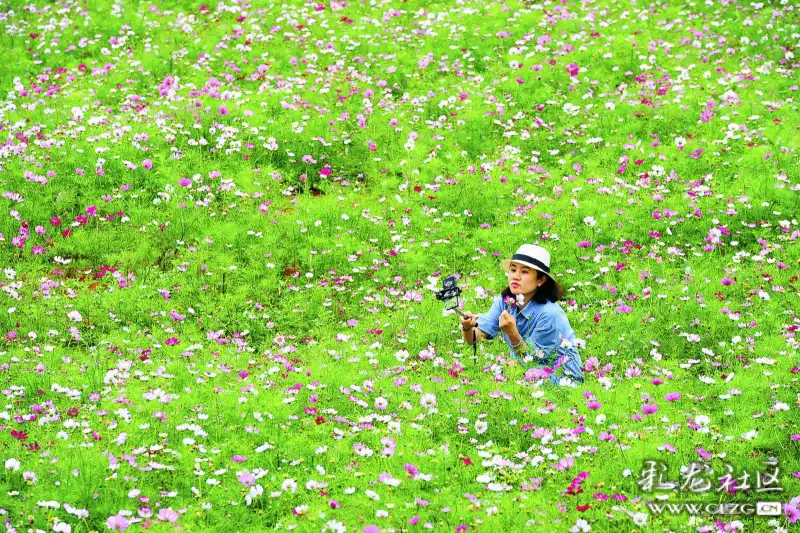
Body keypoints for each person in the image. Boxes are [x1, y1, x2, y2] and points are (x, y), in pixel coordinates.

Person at [459, 244, 585, 387]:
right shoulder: (506, 301)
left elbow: (532, 361)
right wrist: (467, 327)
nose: (516, 277)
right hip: (525, 373)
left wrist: (512, 333)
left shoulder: (550, 314)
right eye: (513, 270)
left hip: (562, 380)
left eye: (524, 272)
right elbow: (475, 338)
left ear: (541, 280)